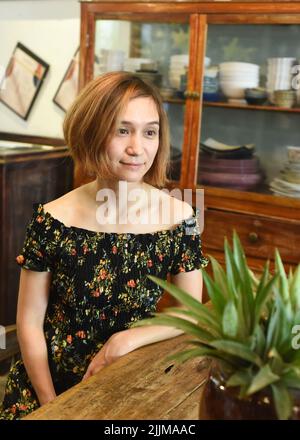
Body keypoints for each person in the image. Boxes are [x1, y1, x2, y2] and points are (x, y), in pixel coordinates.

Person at [0, 71, 208, 420]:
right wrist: (54, 406)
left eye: (150, 132)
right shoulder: (52, 219)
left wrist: (125, 341)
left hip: (132, 382)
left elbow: (193, 314)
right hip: (48, 385)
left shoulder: (180, 217)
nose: (137, 148)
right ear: (93, 132)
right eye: (122, 130)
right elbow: (30, 324)